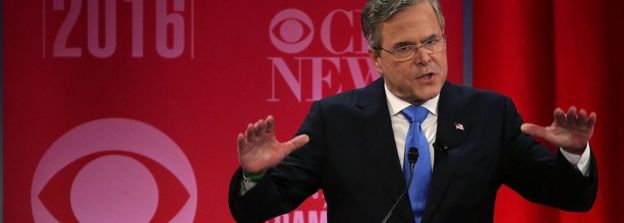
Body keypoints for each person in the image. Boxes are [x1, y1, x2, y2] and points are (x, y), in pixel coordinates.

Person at [228, 0, 598, 222]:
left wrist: (574, 153)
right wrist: (255, 176)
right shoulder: (335, 120)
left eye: (432, 40)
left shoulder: (490, 114)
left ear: (444, 36)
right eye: (404, 47)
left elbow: (568, 195)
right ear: (376, 58)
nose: (425, 58)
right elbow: (258, 209)